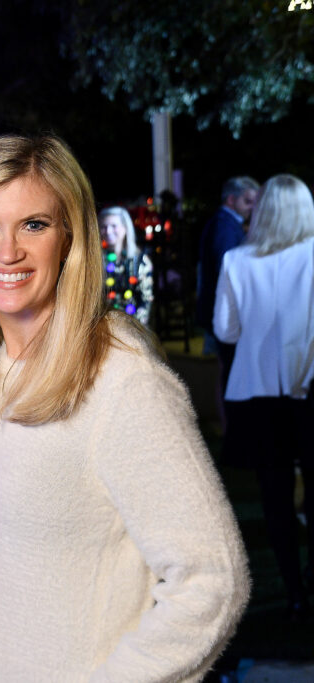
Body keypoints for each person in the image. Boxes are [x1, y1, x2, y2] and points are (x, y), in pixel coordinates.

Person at [0, 134, 249, 681]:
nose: (7, 252)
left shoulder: (121, 381)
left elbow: (213, 578)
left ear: (70, 237)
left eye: (34, 224)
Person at [214, 173, 314, 619]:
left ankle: (294, 591)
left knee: (273, 497)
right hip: (307, 387)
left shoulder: (237, 259)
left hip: (257, 391)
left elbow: (225, 330)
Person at [196, 176, 259, 371]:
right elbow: (227, 268)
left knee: (225, 368)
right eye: (247, 201)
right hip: (222, 307)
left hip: (216, 305)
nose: (252, 207)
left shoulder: (223, 222)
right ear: (231, 200)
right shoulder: (224, 226)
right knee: (228, 369)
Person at [99, 206, 153, 325]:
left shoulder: (140, 261)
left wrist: (133, 330)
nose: (108, 231)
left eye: (114, 226)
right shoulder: (96, 261)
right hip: (103, 327)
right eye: (104, 227)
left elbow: (145, 300)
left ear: (125, 228)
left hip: (133, 325)